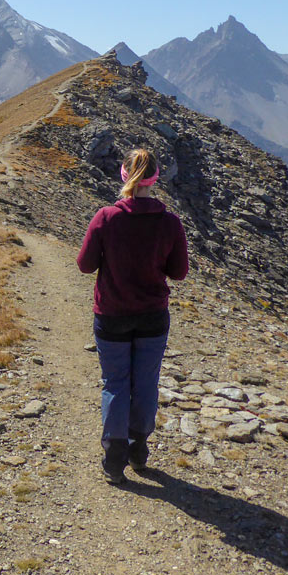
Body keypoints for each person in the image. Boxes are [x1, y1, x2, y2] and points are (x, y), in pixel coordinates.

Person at [76, 147, 189, 484]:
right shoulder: (169, 223)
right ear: (155, 180)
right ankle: (139, 448)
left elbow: (84, 265)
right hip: (153, 317)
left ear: (123, 176)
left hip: (111, 315)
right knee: (145, 383)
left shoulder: (106, 217)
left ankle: (114, 458)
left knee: (115, 383)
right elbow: (179, 272)